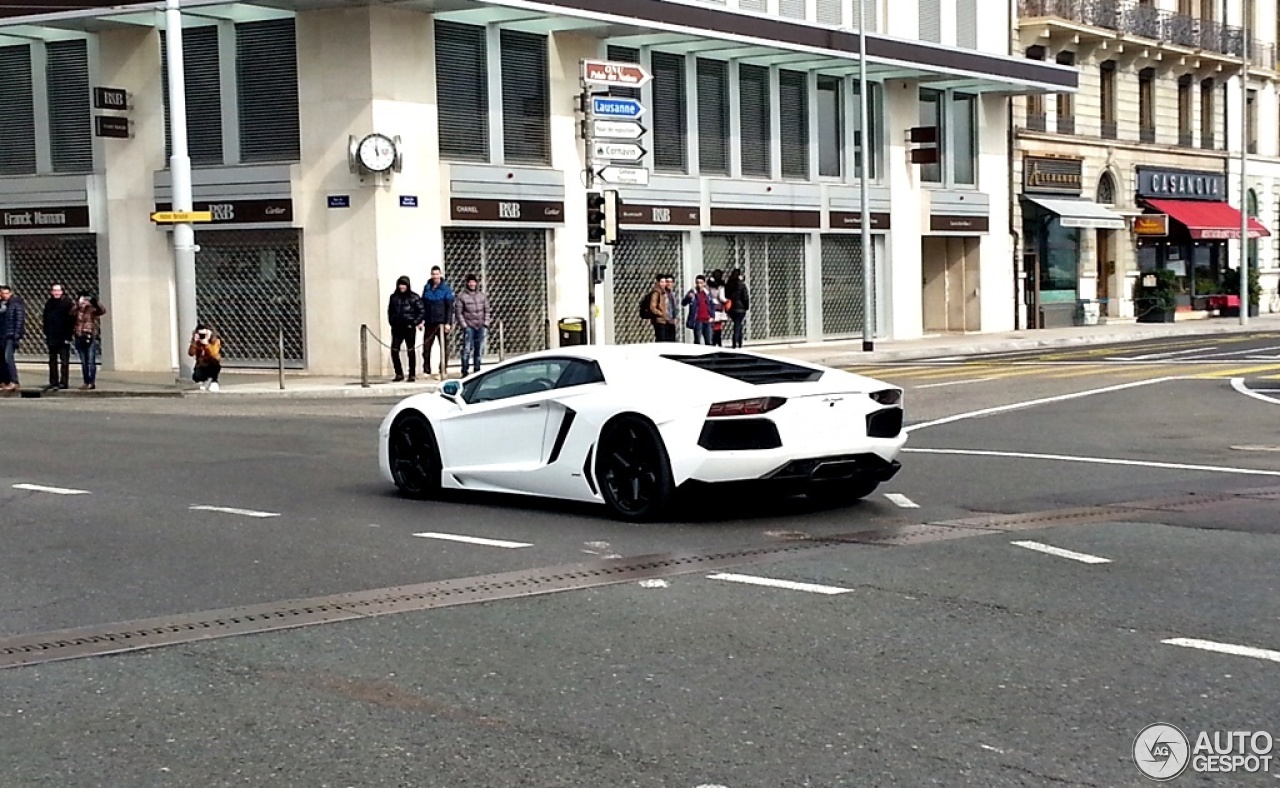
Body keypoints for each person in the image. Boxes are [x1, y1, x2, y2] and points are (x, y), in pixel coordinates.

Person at [386, 275, 425, 382]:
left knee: (410, 350)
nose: (402, 287)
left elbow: (421, 312)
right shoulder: (393, 297)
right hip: (397, 328)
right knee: (394, 350)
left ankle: (411, 374)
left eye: (404, 285)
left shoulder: (414, 297)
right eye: (400, 284)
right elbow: (390, 311)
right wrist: (392, 322)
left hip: (409, 328)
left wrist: (414, 323)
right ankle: (399, 373)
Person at [421, 265, 455, 379]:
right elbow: (423, 305)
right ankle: (426, 370)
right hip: (429, 322)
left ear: (440, 274)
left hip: (441, 323)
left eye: (437, 274)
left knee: (444, 348)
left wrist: (448, 323)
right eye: (433, 274)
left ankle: (443, 370)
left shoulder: (446, 289)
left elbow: (450, 307)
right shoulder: (427, 288)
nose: (435, 276)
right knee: (426, 347)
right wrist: (421, 320)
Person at [455, 273, 491, 377]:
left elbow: (487, 310)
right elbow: (459, 312)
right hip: (469, 326)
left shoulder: (482, 296)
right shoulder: (462, 297)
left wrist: (486, 324)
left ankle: (477, 370)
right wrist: (464, 326)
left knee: (478, 350)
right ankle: (465, 371)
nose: (472, 284)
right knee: (467, 350)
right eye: (470, 282)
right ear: (467, 283)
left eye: (473, 282)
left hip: (480, 326)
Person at [42, 283, 76, 390]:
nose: (56, 292)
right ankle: (53, 381)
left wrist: (68, 336)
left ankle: (64, 382)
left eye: (58, 290)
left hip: (63, 337)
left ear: (62, 292)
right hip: (52, 336)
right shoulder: (49, 303)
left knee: (64, 361)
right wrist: (46, 333)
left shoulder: (67, 304)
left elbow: (71, 321)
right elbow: (45, 319)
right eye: (54, 290)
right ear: (51, 292)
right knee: (52, 361)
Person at [70, 291, 107, 390]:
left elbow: (102, 311)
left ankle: (91, 382)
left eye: (86, 299)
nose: (84, 302)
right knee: (83, 361)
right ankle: (86, 381)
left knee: (91, 360)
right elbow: (71, 314)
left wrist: (95, 302)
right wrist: (78, 305)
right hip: (79, 336)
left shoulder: (91, 309)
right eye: (83, 299)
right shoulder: (77, 309)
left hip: (89, 336)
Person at [0, 284, 26, 392]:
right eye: (2, 293)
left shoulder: (15, 303)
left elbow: (19, 319)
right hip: (2, 335)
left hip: (11, 335)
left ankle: (14, 381)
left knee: (8, 358)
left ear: (10, 293)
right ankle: (4, 380)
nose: (4, 295)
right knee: (1, 359)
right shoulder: (2, 305)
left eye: (6, 293)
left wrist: (17, 334)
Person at [682, 274, 721, 345]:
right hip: (697, 320)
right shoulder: (693, 292)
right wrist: (689, 298)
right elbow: (684, 303)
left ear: (704, 283)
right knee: (697, 341)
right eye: (697, 283)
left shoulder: (707, 293)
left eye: (701, 283)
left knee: (708, 341)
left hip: (707, 320)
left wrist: (712, 316)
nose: (699, 285)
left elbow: (712, 305)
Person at [188, 325, 222, 392]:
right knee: (196, 376)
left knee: (215, 363)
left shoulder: (216, 341)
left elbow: (214, 354)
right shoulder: (197, 342)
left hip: (212, 364)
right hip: (201, 365)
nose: (202, 336)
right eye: (201, 334)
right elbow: (191, 353)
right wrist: (194, 342)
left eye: (204, 334)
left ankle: (214, 382)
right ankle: (205, 381)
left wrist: (206, 344)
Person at [724, 268, 750, 349]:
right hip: (740, 308)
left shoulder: (729, 284)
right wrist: (746, 306)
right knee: (738, 325)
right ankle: (736, 344)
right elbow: (745, 297)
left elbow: (726, 295)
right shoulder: (741, 284)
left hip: (731, 308)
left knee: (738, 324)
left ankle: (739, 343)